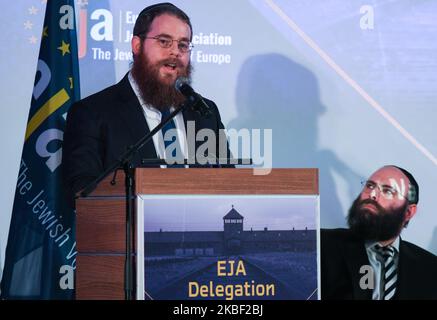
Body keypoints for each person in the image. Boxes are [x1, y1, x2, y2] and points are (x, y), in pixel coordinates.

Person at [62, 3, 230, 201]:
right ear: (137, 45)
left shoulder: (204, 112)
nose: (175, 52)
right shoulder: (92, 113)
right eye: (164, 41)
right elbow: (81, 192)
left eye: (183, 45)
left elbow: (228, 184)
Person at [321, 165, 437, 300]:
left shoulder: (431, 270)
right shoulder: (321, 244)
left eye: (388, 191)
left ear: (408, 212)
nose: (373, 194)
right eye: (370, 186)